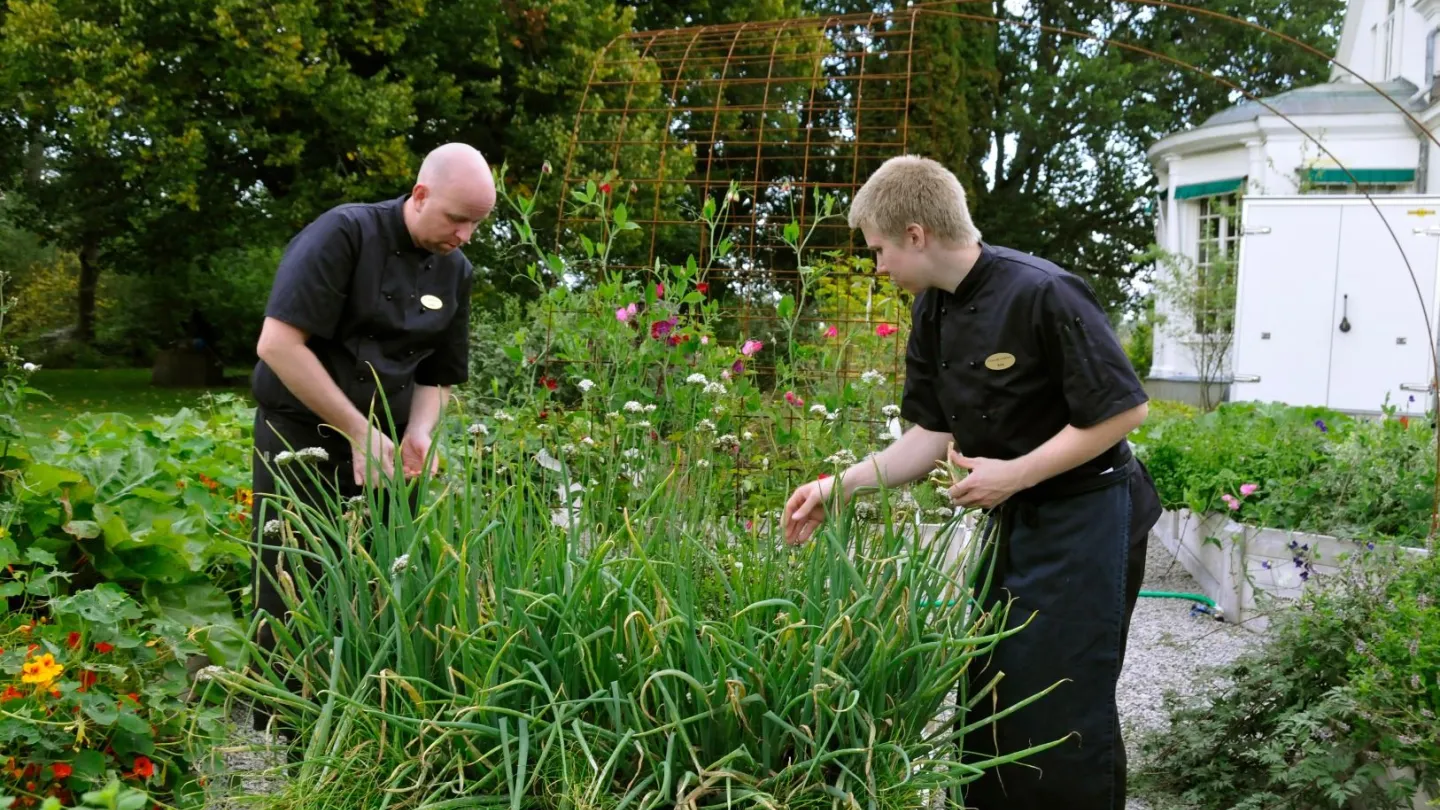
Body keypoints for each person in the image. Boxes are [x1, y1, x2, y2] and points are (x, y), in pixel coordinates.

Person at [780, 155, 1161, 810]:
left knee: (1060, 700)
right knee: (990, 687)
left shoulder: (1044, 292)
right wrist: (835, 487)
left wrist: (1011, 475)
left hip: (1091, 513)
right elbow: (931, 436)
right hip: (1017, 516)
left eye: (877, 250)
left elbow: (1124, 411)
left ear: (916, 235)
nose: (878, 267)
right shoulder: (932, 313)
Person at [247, 142, 495, 733]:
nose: (464, 235)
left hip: (387, 449)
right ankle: (281, 724)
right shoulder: (343, 235)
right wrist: (357, 430)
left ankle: (360, 716)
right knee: (293, 574)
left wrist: (419, 433)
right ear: (419, 195)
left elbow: (438, 374)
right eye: (456, 218)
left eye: (476, 224)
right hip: (301, 432)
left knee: (377, 576)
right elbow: (278, 346)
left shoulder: (455, 269)